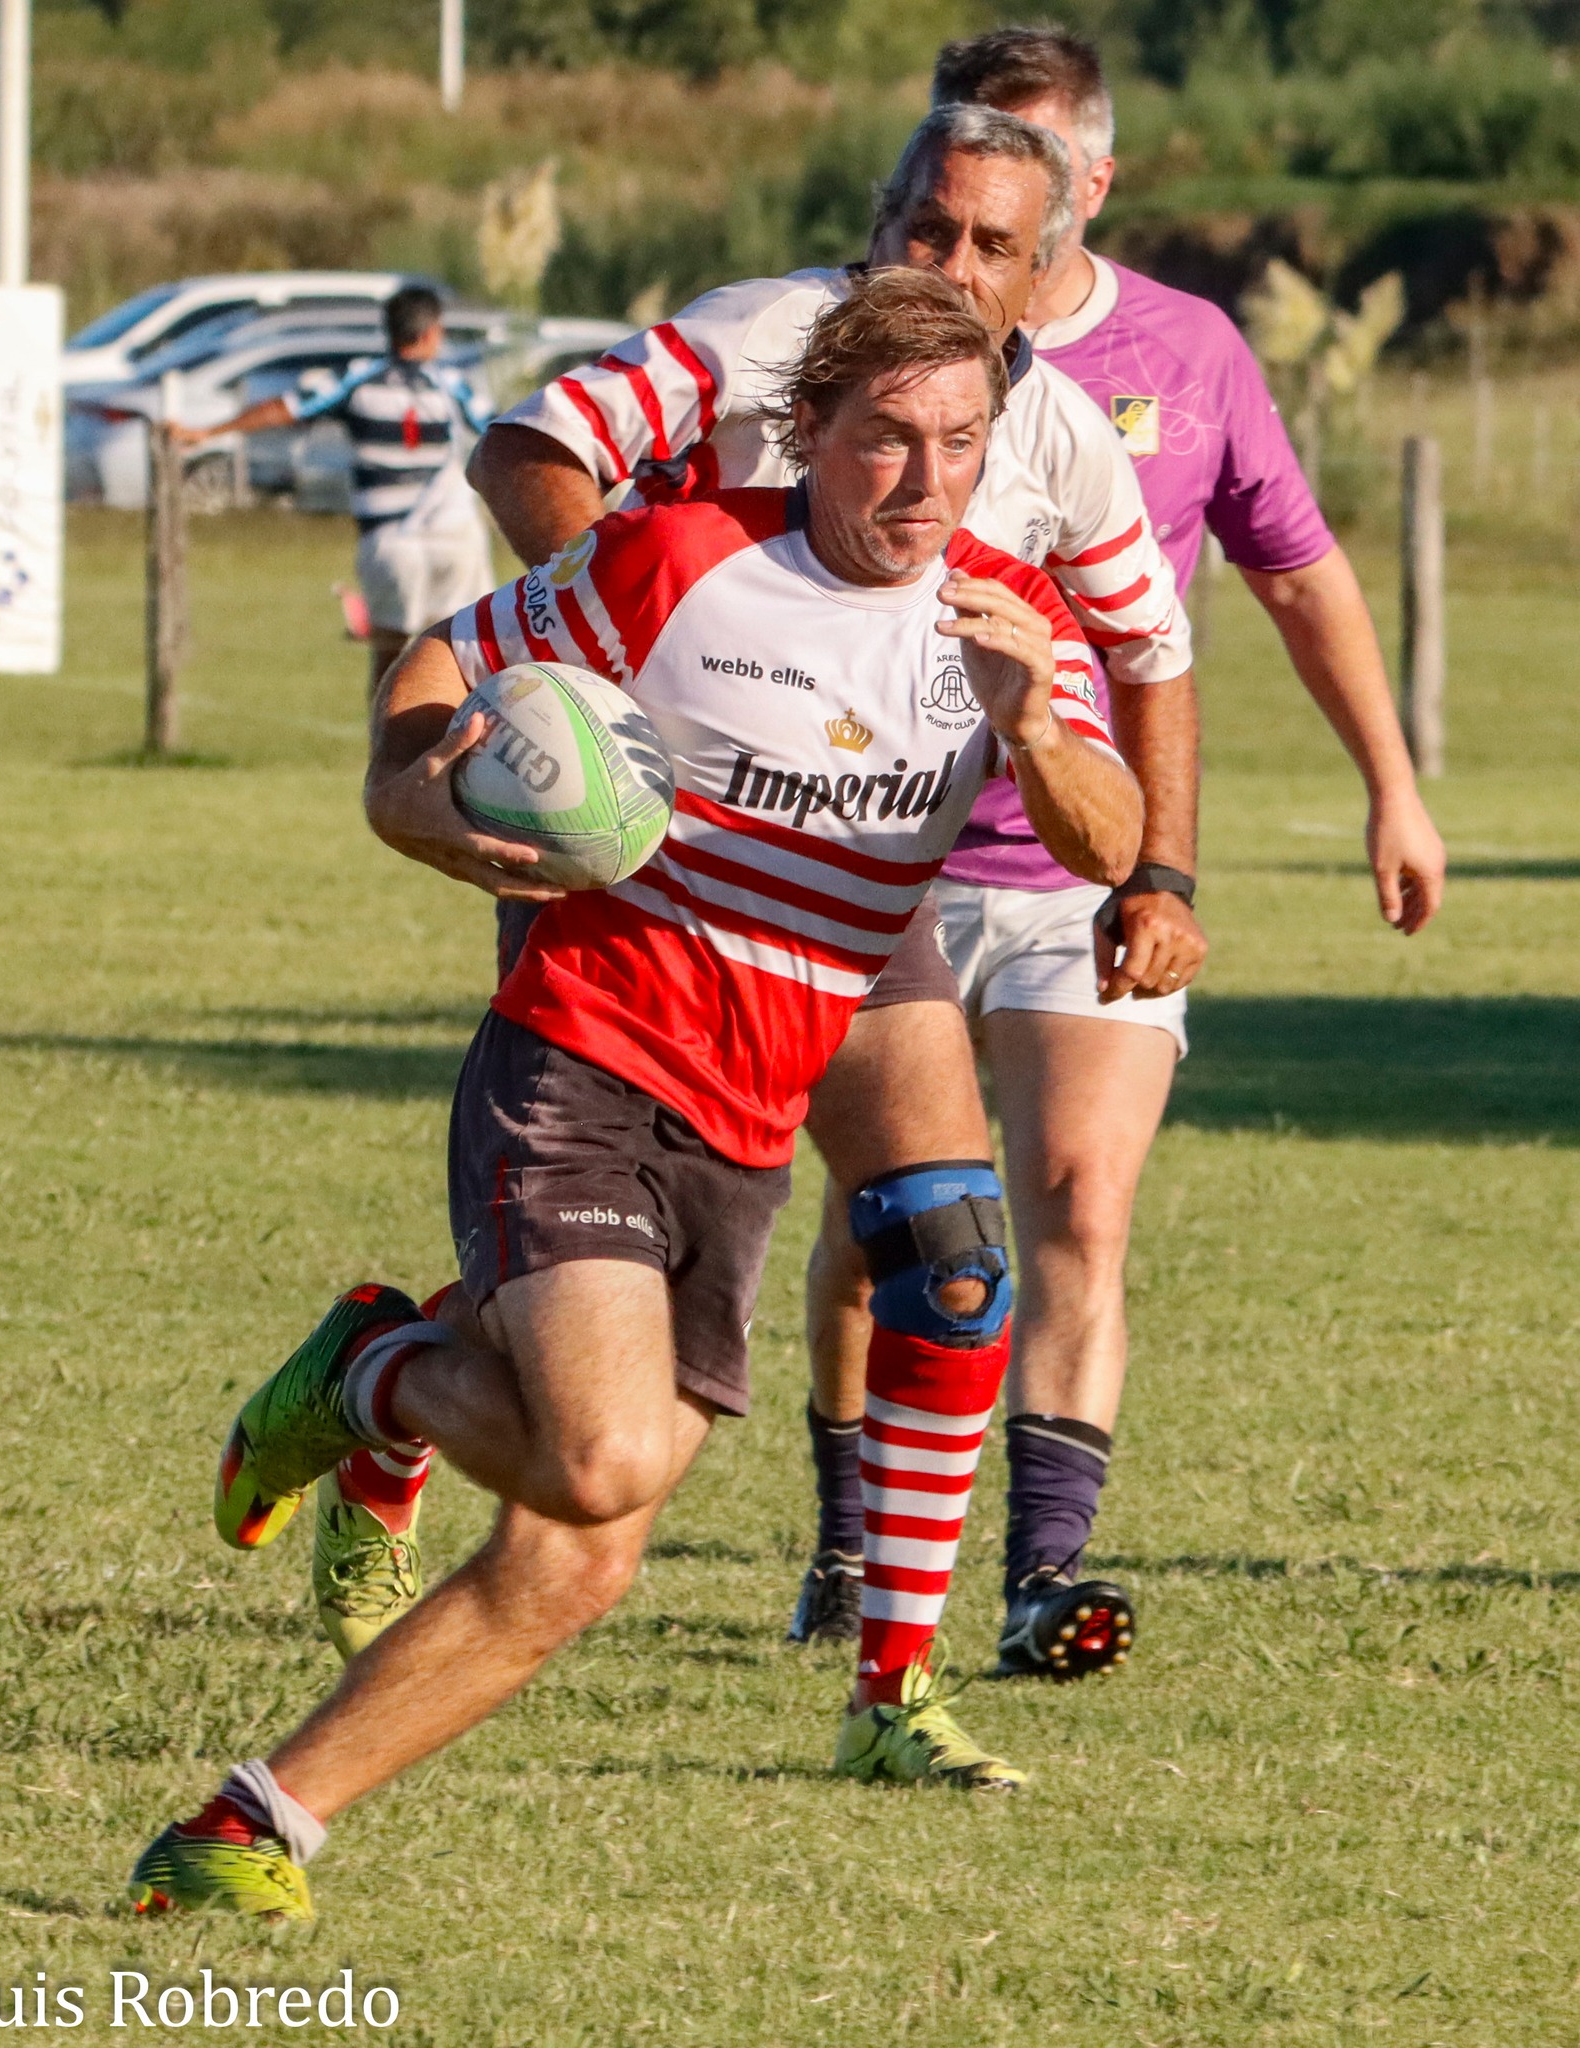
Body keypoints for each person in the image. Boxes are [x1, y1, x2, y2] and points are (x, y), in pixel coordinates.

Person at [128, 271, 1143, 1919]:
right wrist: (419, 809)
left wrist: (1034, 723)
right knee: (599, 1468)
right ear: (805, 431)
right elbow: (436, 661)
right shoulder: (678, 563)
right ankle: (383, 1368)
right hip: (581, 1061)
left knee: (578, 1547)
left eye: (957, 444)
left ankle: (251, 1812)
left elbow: (1104, 843)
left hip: (743, 1133)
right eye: (883, 439)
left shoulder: (1012, 623)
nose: (920, 480)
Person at [472, 102, 1198, 1658]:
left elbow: (1147, 654)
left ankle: (888, 1675)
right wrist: (613, 676)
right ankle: (408, 1407)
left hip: (868, 896)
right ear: (877, 219)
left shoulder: (1054, 433)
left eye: (989, 246)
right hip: (660, 890)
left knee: (946, 1263)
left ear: (1049, 260)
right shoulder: (762, 335)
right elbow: (532, 451)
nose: (946, 261)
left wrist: (1158, 868)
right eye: (924, 227)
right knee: (609, 1426)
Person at [791, 24, 1450, 1682]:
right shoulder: (842, 349)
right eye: (946, 178)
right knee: (892, 1226)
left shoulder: (1181, 355)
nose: (972, 215)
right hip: (887, 857)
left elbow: (1284, 582)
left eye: (1017, 172)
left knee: (1076, 1200)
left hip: (1080, 863)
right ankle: (849, 1526)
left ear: (1085, 181)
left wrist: (1380, 784)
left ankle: (1040, 1577)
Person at [176, 284, 492, 702]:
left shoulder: (357, 377)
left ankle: (386, 755)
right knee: (465, 659)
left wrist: (209, 432)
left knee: (391, 659)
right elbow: (500, 432)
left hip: (391, 541)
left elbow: (287, 407)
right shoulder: (452, 383)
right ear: (434, 332)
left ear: (390, 331)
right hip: (456, 537)